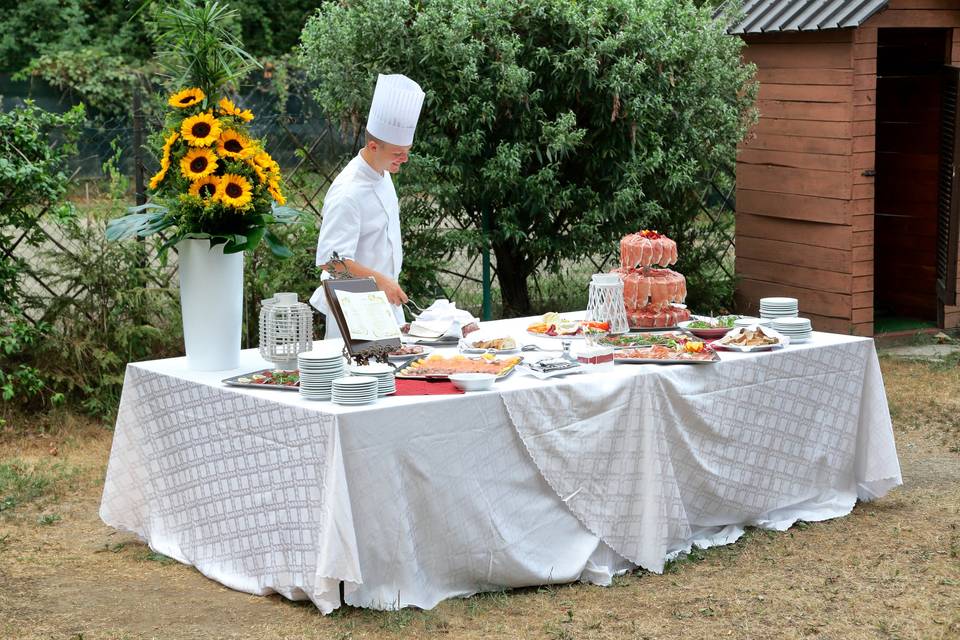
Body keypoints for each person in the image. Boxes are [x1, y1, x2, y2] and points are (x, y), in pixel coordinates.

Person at [309, 74, 425, 339]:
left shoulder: (382, 173)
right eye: (398, 153)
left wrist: (386, 283)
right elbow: (331, 262)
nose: (405, 159)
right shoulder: (347, 191)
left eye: (407, 151)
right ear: (373, 146)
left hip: (385, 305)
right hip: (353, 310)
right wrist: (381, 281)